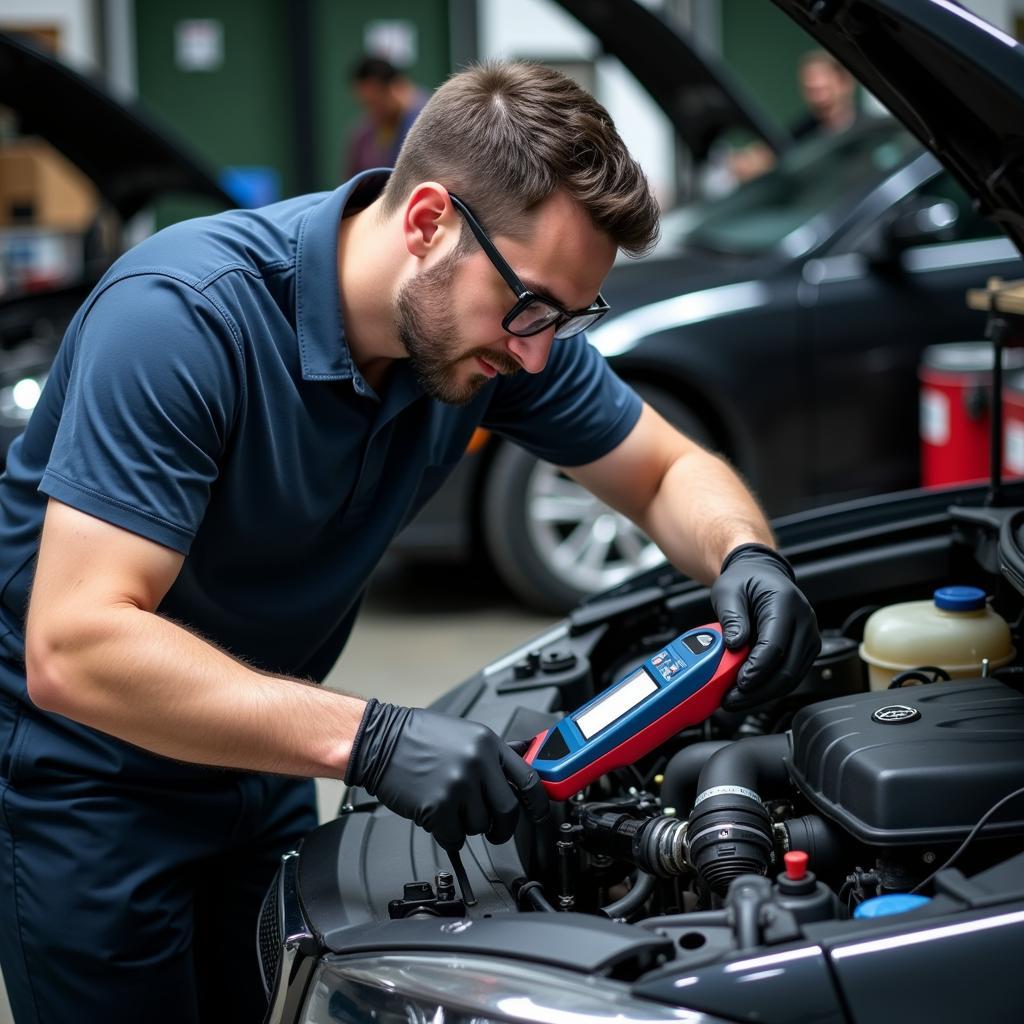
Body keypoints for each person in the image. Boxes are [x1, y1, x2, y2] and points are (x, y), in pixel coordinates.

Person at [0, 61, 820, 1023]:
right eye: (532, 309)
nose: (538, 353)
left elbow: (666, 470)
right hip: (93, 782)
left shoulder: (493, 332)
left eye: (567, 318)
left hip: (261, 756)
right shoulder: (183, 320)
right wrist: (373, 739)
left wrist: (746, 555)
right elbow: (77, 644)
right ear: (429, 221)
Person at [729, 48, 863, 183]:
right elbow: (772, 151)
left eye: (822, 90)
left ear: (845, 84)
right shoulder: (805, 128)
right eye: (810, 90)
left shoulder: (867, 133)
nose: (817, 99)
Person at [344, 55, 428, 176]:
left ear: (395, 88)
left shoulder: (430, 120)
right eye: (366, 104)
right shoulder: (364, 134)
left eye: (375, 101)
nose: (372, 111)